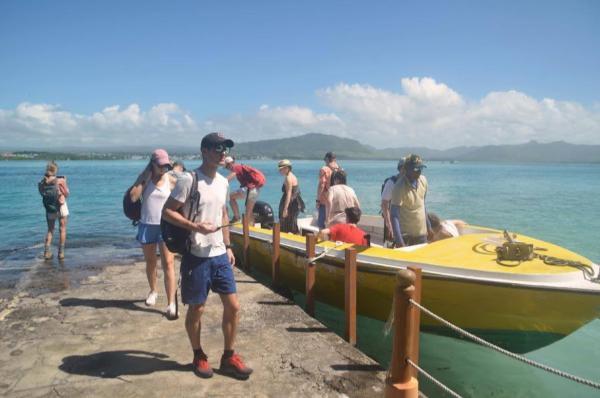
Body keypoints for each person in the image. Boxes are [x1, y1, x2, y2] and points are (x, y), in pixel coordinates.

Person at [162, 132, 253, 380]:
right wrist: (195, 227)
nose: (222, 152)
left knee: (233, 307)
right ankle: (198, 354)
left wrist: (229, 246)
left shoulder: (224, 182)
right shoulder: (188, 180)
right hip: (196, 254)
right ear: (204, 151)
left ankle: (228, 357)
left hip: (220, 255)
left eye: (225, 148)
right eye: (217, 148)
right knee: (197, 309)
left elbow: (222, 214)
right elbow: (168, 211)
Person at [129, 149, 178, 320]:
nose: (164, 168)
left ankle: (171, 303)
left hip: (166, 226)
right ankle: (153, 291)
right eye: (161, 165)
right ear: (152, 164)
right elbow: (133, 197)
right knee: (151, 262)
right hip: (147, 225)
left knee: (169, 263)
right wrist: (143, 178)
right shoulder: (145, 178)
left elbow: (181, 200)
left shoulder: (170, 180)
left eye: (166, 165)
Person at [390, 154, 431, 247]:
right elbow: (394, 216)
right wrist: (399, 241)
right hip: (406, 237)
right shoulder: (399, 187)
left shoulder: (423, 181)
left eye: (421, 168)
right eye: (416, 169)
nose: (419, 172)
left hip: (422, 236)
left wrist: (429, 227)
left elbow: (423, 205)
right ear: (406, 170)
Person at [38, 161, 70, 260]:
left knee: (50, 230)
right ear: (55, 170)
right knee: (62, 229)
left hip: (50, 207)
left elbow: (42, 193)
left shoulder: (42, 182)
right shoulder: (60, 181)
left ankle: (47, 252)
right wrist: (65, 181)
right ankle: (61, 253)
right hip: (61, 206)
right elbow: (67, 193)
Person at [223, 156, 266, 225]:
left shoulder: (236, 168)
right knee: (249, 211)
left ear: (230, 164)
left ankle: (237, 218)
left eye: (227, 166)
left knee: (230, 197)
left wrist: (219, 183)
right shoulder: (240, 167)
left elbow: (228, 179)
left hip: (250, 190)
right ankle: (251, 227)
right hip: (255, 190)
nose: (227, 168)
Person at [277, 159, 305, 233]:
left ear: (287, 168)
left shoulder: (288, 178)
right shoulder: (292, 176)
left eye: (281, 169)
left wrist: (285, 209)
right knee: (292, 222)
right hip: (296, 202)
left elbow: (289, 194)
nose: (280, 171)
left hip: (291, 203)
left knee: (286, 222)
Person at [381, 158, 404, 245]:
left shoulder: (408, 182)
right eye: (404, 168)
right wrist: (388, 224)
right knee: (389, 244)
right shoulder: (391, 183)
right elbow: (384, 204)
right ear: (400, 168)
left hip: (404, 220)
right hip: (391, 219)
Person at [316, 151, 341, 229]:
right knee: (333, 225)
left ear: (327, 159)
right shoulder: (340, 169)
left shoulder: (324, 169)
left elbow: (322, 185)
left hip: (325, 200)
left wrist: (318, 200)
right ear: (334, 159)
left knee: (322, 225)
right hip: (337, 199)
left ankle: (322, 240)